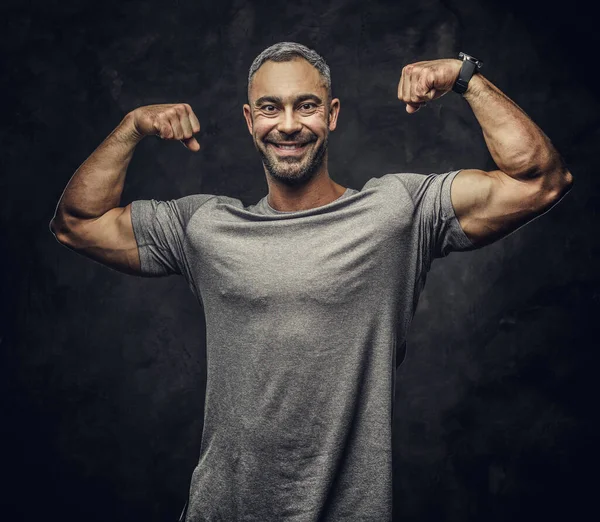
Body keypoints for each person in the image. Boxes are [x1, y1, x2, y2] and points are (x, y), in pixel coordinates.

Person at [50, 42, 572, 522]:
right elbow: (78, 222)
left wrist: (464, 77)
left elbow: (540, 178)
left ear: (332, 114)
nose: (289, 125)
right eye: (271, 109)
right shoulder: (205, 228)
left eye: (307, 105)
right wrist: (133, 126)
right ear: (250, 121)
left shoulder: (395, 212)